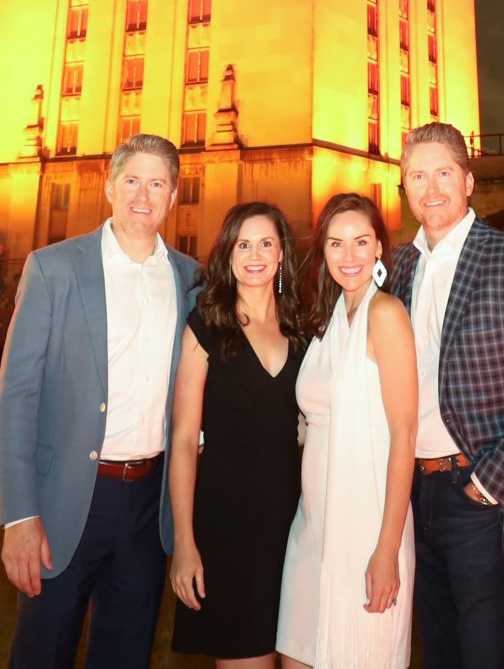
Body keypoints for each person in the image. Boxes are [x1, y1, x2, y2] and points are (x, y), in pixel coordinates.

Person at [0, 133, 201, 669]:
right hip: (66, 500)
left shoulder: (189, 279)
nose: (143, 195)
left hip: (147, 508)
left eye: (157, 184)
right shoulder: (54, 267)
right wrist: (19, 515)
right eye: (132, 180)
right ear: (109, 186)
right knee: (44, 651)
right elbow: (16, 394)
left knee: (126, 655)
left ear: (173, 196)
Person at [389, 123, 504, 669]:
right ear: (403, 186)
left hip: (479, 494)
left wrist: (487, 488)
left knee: (492, 655)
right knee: (441, 652)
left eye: (443, 173)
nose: (431, 188)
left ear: (469, 181)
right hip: (411, 496)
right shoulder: (399, 267)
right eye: (417, 176)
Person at [274, 193, 417, 669]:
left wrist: (387, 549)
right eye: (336, 244)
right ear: (323, 251)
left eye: (361, 242)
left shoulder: (385, 313)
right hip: (312, 527)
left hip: (365, 530)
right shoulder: (331, 319)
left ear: (380, 246)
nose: (349, 256)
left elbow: (404, 435)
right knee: (296, 654)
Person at [169, 202, 309, 667]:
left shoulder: (302, 330)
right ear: (227, 253)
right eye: (243, 243)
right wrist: (185, 543)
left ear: (282, 255)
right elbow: (186, 440)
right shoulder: (207, 325)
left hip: (296, 528)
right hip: (227, 531)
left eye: (266, 243)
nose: (255, 254)